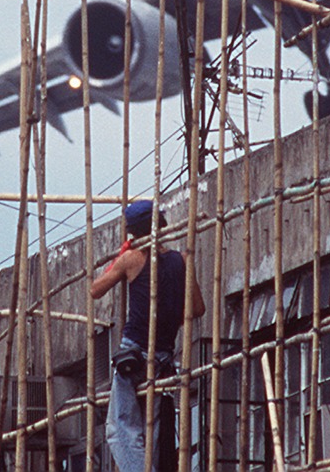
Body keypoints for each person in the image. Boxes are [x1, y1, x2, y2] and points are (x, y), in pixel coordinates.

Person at [91, 199, 204, 472]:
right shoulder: (181, 260)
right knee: (149, 429)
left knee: (120, 428)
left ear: (134, 233)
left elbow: (95, 290)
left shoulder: (132, 259)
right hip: (163, 356)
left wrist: (121, 257)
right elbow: (198, 308)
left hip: (135, 354)